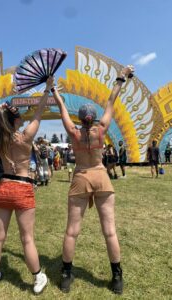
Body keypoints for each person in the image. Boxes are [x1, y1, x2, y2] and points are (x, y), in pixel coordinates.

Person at [51, 65, 134, 294]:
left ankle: (66, 275)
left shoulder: (73, 132)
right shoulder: (102, 129)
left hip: (81, 177)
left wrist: (53, 90)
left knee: (71, 231)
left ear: (80, 118)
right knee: (110, 231)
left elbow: (61, 107)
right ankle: (117, 277)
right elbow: (110, 101)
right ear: (94, 118)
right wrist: (121, 77)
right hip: (101, 176)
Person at [0, 77, 54, 294]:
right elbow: (39, 112)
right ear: (15, 121)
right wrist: (48, 89)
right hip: (23, 188)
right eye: (20, 118)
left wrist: (3, 107)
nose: (23, 120)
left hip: (4, 187)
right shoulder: (25, 138)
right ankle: (37, 278)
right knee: (27, 239)